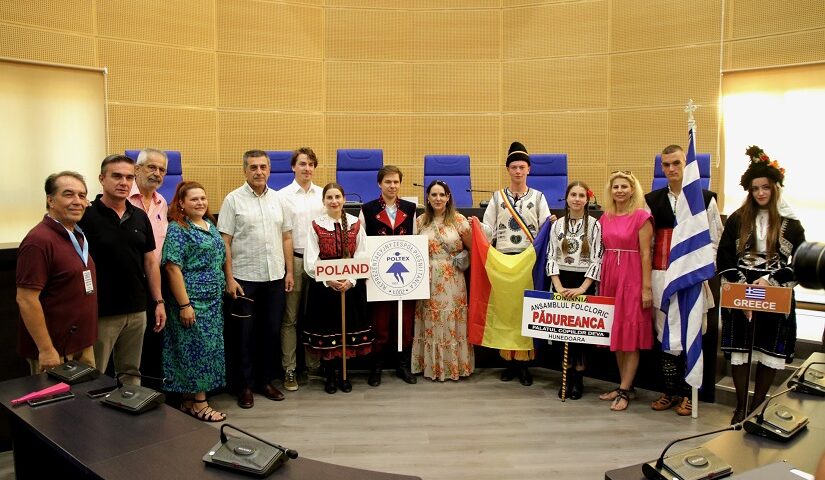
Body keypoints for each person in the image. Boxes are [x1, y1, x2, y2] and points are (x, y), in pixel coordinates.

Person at [718, 146, 805, 425]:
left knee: (769, 351)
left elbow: (801, 261)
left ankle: (757, 407)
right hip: (740, 286)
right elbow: (724, 257)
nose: (760, 193)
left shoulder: (792, 224)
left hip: (775, 291)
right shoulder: (737, 218)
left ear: (774, 188)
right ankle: (741, 408)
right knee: (740, 351)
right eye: (755, 189)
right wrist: (742, 290)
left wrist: (770, 280)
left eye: (765, 187)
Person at [645, 145, 723, 416]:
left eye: (676, 163)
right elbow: (648, 244)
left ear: (686, 163)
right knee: (665, 334)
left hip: (692, 279)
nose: (671, 169)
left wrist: (699, 270)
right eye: (666, 165)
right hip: (662, 277)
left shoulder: (705, 198)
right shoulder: (652, 200)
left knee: (693, 333)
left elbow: (715, 240)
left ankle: (691, 394)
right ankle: (670, 390)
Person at [79, 154, 166, 385]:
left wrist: (158, 301)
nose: (123, 182)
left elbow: (150, 262)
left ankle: (128, 408)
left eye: (129, 177)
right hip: (101, 311)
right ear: (102, 178)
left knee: (131, 372)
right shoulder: (85, 216)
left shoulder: (139, 217)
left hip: (136, 309)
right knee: (94, 373)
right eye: (116, 176)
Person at [218, 150, 294, 409]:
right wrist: (229, 278)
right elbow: (225, 242)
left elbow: (286, 237)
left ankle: (265, 381)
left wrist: (289, 272)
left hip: (275, 278)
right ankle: (244, 386)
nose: (259, 171)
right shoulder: (233, 200)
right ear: (245, 171)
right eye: (253, 167)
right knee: (243, 335)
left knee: (270, 332)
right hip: (244, 279)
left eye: (263, 167)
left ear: (269, 170)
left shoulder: (279, 200)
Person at [479, 141, 551, 386]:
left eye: (522, 167)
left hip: (527, 261)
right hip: (504, 260)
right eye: (514, 167)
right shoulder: (497, 198)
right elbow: (488, 229)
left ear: (529, 169)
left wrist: (550, 223)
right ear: (508, 170)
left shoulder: (539, 198)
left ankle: (524, 364)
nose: (518, 171)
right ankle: (509, 362)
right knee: (506, 311)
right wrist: (476, 227)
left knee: (524, 311)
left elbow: (544, 228)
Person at [16, 172, 97, 374]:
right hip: (55, 351)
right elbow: (26, 299)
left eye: (82, 195)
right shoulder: (38, 241)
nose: (77, 201)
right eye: (68, 194)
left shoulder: (76, 235)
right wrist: (46, 349)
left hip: (81, 345)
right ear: (50, 200)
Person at [161, 181, 226, 422]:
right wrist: (185, 305)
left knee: (207, 350)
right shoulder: (178, 229)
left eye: (203, 198)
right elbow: (172, 268)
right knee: (196, 351)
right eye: (194, 199)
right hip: (192, 302)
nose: (200, 203)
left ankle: (189, 401)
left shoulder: (209, 225)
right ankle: (200, 403)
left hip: (213, 302)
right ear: (181, 203)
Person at [303, 183, 373, 394]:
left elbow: (362, 253)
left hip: (350, 288)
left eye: (337, 197)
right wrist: (329, 280)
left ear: (343, 199)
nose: (334, 201)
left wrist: (351, 280)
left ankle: (344, 374)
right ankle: (330, 374)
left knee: (347, 329)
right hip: (325, 289)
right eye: (330, 197)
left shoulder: (355, 224)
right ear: (323, 201)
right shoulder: (316, 225)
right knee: (329, 330)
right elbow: (311, 259)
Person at [596, 171, 653, 411]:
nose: (619, 190)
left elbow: (646, 254)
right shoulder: (605, 217)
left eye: (624, 187)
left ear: (632, 190)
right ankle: (624, 385)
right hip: (610, 276)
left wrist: (646, 287)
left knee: (630, 335)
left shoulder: (642, 216)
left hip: (632, 277)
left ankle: (624, 389)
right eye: (616, 187)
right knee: (617, 335)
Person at [359, 165, 418, 386]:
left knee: (404, 323)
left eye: (396, 182)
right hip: (378, 278)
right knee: (380, 323)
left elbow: (415, 241)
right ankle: (376, 368)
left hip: (406, 278)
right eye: (388, 182)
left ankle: (402, 366)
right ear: (379, 184)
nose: (392, 186)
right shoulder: (367, 209)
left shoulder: (411, 209)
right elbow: (361, 244)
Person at [411, 180, 474, 381]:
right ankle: (432, 367)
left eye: (442, 195)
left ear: (448, 197)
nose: (438, 198)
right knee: (430, 319)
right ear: (428, 198)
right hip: (427, 278)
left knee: (451, 319)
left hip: (453, 277)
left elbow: (473, 247)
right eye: (434, 195)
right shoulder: (420, 221)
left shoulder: (459, 220)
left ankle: (453, 367)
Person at [545, 181, 603, 399]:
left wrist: (582, 288)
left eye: (581, 195)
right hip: (561, 280)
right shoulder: (557, 224)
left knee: (580, 335)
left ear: (587, 200)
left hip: (584, 283)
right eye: (573, 195)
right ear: (567, 198)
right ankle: (566, 377)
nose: (577, 199)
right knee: (562, 334)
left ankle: (578, 379)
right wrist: (558, 285)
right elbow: (551, 256)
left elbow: (597, 259)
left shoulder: (595, 225)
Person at [277, 147, 324, 391]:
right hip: (294, 261)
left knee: (315, 315)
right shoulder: (281, 196)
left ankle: (314, 365)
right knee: (290, 319)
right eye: (303, 164)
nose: (307, 168)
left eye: (311, 164)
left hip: (319, 263)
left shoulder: (323, 194)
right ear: (293, 167)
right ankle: (290, 369)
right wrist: (288, 270)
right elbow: (283, 235)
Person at [128, 148, 169, 381]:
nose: (157, 173)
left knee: (153, 338)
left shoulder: (161, 202)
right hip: (130, 281)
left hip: (156, 280)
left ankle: (149, 392)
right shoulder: (122, 198)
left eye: (162, 169)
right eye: (151, 167)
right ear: (137, 169)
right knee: (128, 345)